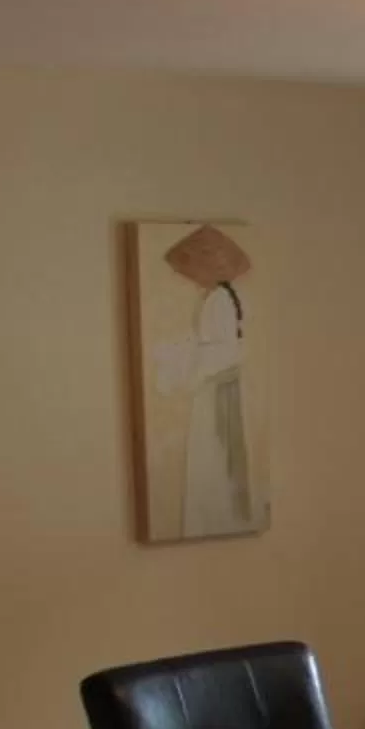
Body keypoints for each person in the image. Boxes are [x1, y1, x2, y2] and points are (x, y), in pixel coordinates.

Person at [148, 225, 258, 537]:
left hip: (215, 385)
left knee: (212, 453)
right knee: (226, 455)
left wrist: (178, 362)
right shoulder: (233, 297)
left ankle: (211, 521)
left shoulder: (216, 300)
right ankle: (225, 520)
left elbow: (218, 350)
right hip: (227, 383)